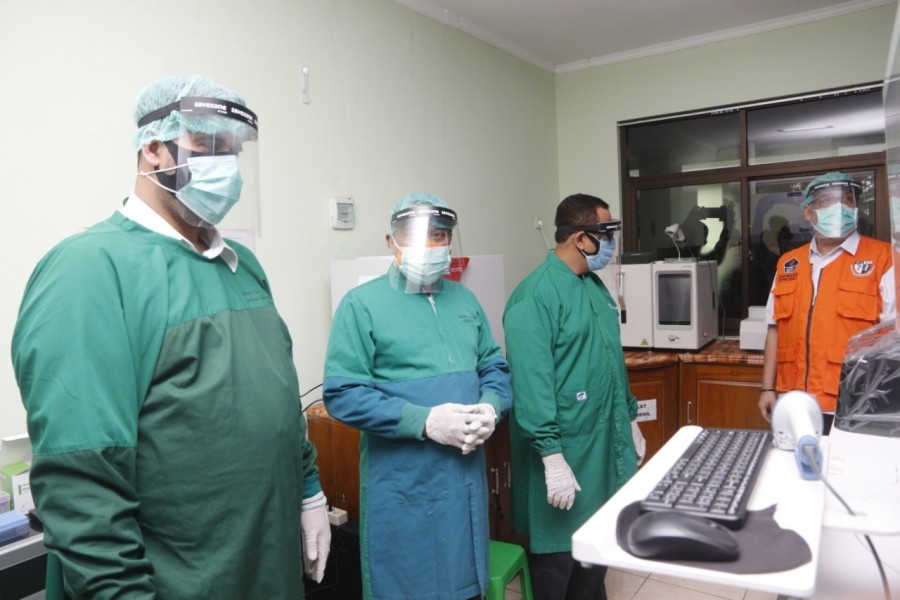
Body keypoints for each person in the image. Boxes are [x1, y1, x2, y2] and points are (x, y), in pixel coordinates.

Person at [11, 75, 331, 599]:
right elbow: (83, 485)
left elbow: (276, 401)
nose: (226, 165)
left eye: (234, 150)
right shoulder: (90, 270)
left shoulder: (240, 265)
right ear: (154, 148)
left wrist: (309, 489)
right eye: (208, 146)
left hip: (265, 571)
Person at [323, 192, 513, 600]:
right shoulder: (362, 305)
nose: (431, 246)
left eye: (440, 235)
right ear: (391, 242)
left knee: (467, 584)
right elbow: (342, 394)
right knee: (409, 585)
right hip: (404, 486)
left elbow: (494, 368)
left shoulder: (464, 300)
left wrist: (492, 407)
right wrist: (424, 421)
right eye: (418, 237)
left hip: (463, 484)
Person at [503, 193, 645, 600]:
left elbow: (610, 363)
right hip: (564, 454)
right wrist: (551, 457)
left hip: (601, 446)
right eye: (607, 233)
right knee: (557, 568)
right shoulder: (535, 296)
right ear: (583, 238)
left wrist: (630, 418)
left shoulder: (594, 287)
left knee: (592, 566)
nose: (612, 245)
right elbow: (531, 385)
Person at [757, 172, 896, 433]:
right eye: (827, 201)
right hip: (794, 401)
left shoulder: (884, 259)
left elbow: (893, 341)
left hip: (855, 403)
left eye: (847, 200)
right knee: (794, 468)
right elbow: (774, 328)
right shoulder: (789, 263)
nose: (839, 207)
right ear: (809, 212)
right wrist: (767, 387)